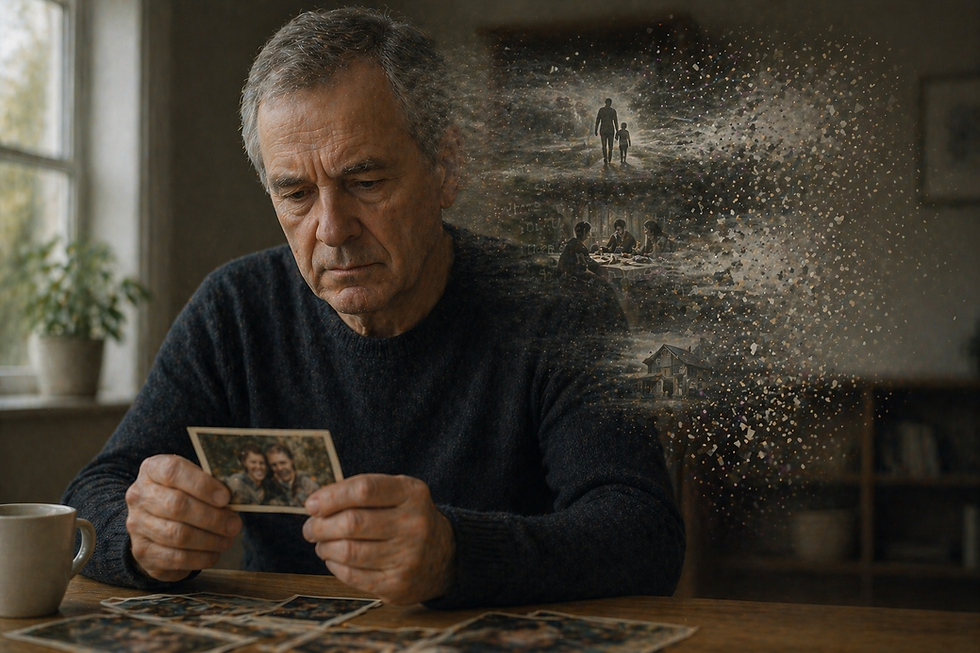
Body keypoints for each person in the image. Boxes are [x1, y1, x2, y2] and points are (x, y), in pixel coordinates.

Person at [63, 7, 683, 610]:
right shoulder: (236, 309)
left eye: (365, 181)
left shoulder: (559, 304)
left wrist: (456, 554)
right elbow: (91, 494)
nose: (331, 229)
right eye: (296, 194)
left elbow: (644, 532)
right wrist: (139, 538)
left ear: (446, 167)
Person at [594, 98, 619, 165]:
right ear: (606, 102)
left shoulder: (611, 111)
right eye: (608, 102)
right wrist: (595, 129)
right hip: (605, 129)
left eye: (609, 102)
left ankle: (609, 158)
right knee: (604, 145)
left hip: (608, 129)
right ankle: (606, 158)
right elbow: (598, 120)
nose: (609, 104)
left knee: (610, 145)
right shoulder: (603, 110)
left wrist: (617, 131)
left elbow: (616, 121)